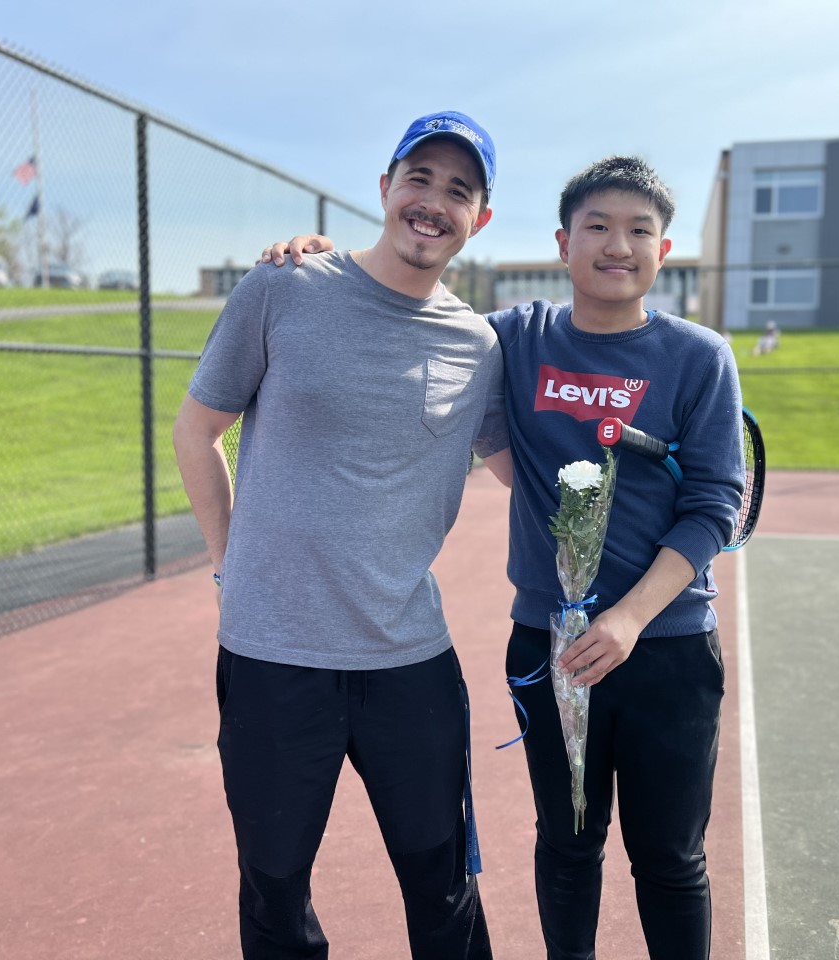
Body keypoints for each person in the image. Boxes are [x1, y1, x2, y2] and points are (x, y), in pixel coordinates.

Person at [262, 156, 745, 960]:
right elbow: (413, 302)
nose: (616, 245)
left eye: (639, 231)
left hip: (666, 651)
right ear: (563, 243)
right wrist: (327, 263)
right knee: (566, 845)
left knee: (668, 859)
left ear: (664, 250)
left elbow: (713, 508)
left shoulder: (699, 358)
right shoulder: (515, 338)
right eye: (596, 226)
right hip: (547, 648)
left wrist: (627, 619)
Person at [173, 110, 506, 960]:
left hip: (409, 663)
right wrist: (230, 568)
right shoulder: (284, 288)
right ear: (386, 187)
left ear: (481, 219)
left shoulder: (480, 346)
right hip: (273, 659)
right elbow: (195, 431)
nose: (434, 203)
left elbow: (522, 469)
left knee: (444, 889)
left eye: (458, 191)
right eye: (420, 180)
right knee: (276, 892)